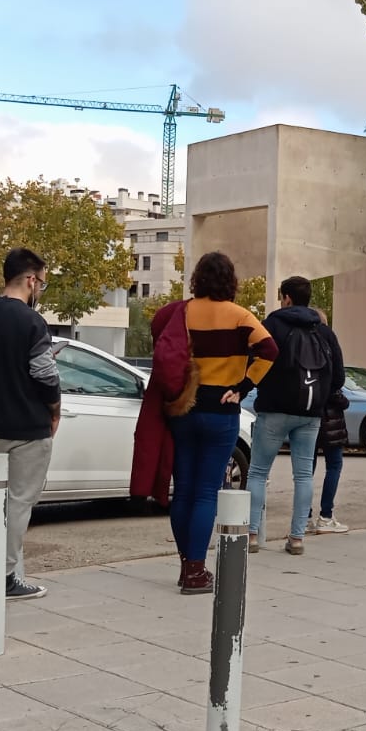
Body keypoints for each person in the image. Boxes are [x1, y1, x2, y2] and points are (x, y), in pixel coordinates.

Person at [142, 251, 276, 593]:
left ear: (197, 278)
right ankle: (196, 572)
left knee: (183, 490)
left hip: (183, 409)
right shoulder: (240, 316)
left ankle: (188, 566)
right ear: (230, 281)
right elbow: (270, 350)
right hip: (221, 412)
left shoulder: (182, 313)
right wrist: (242, 387)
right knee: (206, 492)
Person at [0, 248, 61, 600]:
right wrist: (54, 410)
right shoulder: (32, 322)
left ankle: (0, 568)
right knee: (19, 502)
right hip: (28, 424)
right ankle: (3, 576)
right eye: (42, 283)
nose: (40, 290)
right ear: (31, 279)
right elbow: (45, 376)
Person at [249, 275, 345, 556]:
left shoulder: (272, 325)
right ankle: (297, 538)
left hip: (274, 409)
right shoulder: (324, 331)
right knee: (303, 475)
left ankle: (252, 535)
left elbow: (255, 361)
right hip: (310, 413)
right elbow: (338, 376)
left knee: (257, 472)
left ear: (287, 297)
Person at [309, 307, 351, 534]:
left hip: (307, 408)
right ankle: (326, 515)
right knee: (334, 464)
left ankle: (303, 517)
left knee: (306, 466)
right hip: (331, 411)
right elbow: (339, 376)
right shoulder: (328, 336)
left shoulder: (300, 336)